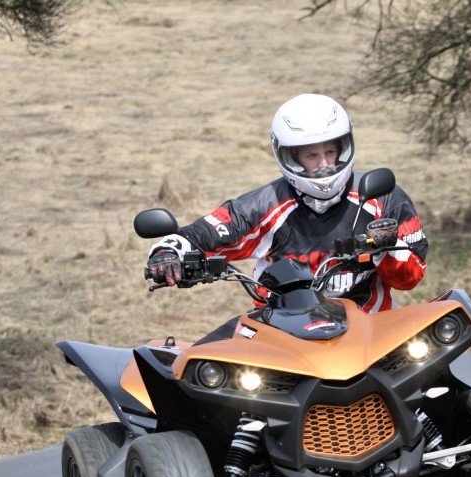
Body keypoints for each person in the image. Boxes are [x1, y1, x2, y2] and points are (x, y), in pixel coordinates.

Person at [146, 93, 428, 331]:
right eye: (311, 155)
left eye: (331, 151)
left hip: (372, 330)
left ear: (345, 147)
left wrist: (388, 247)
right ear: (290, 157)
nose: (324, 164)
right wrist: (167, 252)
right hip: (283, 336)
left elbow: (410, 279)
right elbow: (200, 235)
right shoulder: (263, 205)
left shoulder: (382, 197)